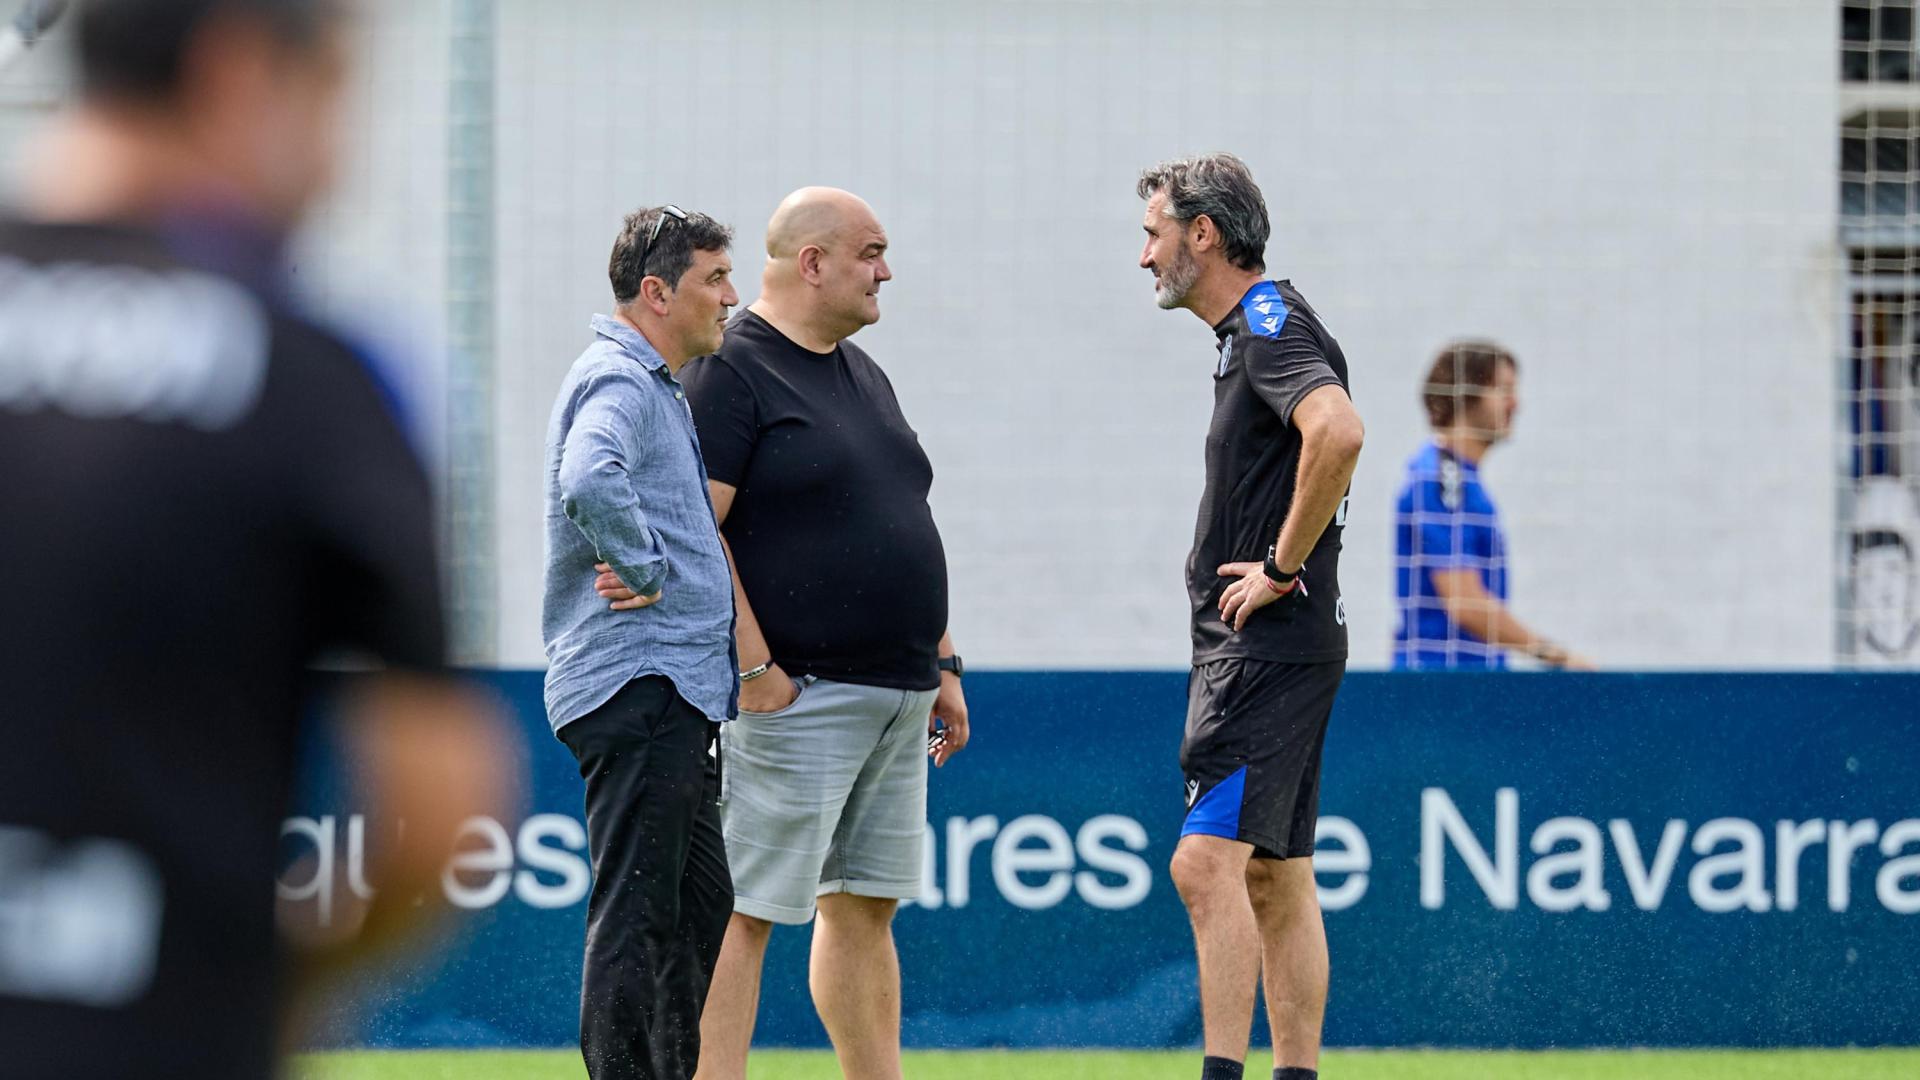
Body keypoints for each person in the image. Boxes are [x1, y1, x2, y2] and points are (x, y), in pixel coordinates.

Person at [0, 2, 517, 1078]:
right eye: (333, 97)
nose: (333, 163)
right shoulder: (320, 372)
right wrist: (269, 989)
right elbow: (437, 809)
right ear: (239, 72)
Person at [680, 187, 969, 1080]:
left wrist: (945, 663)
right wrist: (756, 668)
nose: (886, 272)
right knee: (743, 910)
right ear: (812, 263)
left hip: (899, 687)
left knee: (865, 907)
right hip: (795, 692)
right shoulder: (732, 370)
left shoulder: (860, 370)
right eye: (871, 253)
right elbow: (694, 532)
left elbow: (899, 515)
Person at [1137, 153, 1364, 1080]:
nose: (1144, 257)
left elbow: (1339, 432)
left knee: (1204, 868)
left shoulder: (1268, 321)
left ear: (1203, 233)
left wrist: (1279, 566)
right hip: (1286, 648)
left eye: (1154, 234)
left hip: (1263, 648)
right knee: (1275, 874)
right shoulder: (1249, 333)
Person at [543, 204, 742, 1080]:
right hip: (642, 682)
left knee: (700, 901)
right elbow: (588, 475)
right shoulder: (621, 378)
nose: (731, 297)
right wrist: (648, 566)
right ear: (656, 293)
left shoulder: (651, 383)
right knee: (638, 911)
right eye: (714, 279)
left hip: (671, 692)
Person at [1392, 340, 1593, 670]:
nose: (1515, 403)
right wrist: (1554, 655)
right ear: (1465, 394)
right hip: (1442, 684)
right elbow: (1463, 600)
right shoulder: (1440, 480)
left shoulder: (1460, 479)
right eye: (1503, 389)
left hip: (1472, 682)